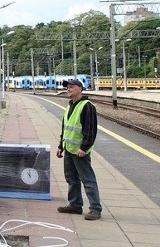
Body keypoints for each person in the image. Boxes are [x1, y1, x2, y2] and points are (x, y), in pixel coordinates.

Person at [56, 78, 102, 220]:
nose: (68, 89)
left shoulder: (87, 106)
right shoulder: (69, 106)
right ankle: (75, 205)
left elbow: (91, 129)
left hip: (80, 151)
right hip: (69, 149)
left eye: (71, 87)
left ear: (80, 89)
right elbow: (65, 128)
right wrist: (60, 146)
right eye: (67, 87)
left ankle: (95, 209)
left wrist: (84, 147)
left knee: (87, 179)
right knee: (71, 178)